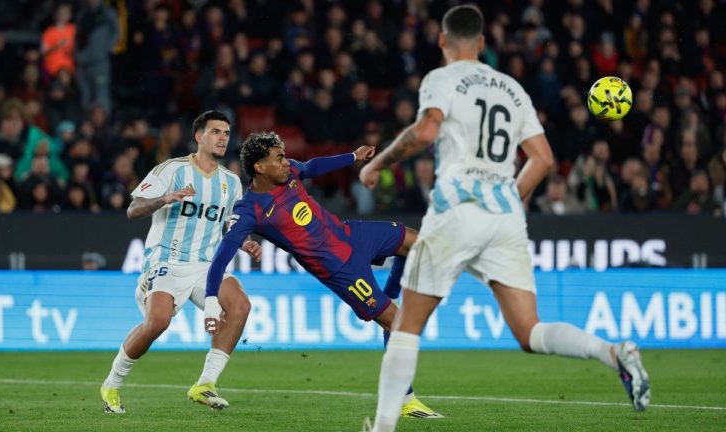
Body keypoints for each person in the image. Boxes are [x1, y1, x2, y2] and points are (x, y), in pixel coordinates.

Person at [358, 5, 651, 431]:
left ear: (442, 40)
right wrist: (507, 198)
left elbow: (425, 131)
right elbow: (543, 159)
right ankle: (612, 352)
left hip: (457, 210)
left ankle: (383, 429)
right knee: (529, 331)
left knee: (406, 325)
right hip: (504, 218)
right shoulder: (512, 89)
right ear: (481, 43)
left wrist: (377, 164)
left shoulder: (442, 79)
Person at [203, 131, 441, 419]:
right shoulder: (249, 210)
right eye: (278, 158)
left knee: (416, 244)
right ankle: (406, 401)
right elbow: (222, 256)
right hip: (340, 269)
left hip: (351, 235)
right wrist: (211, 299)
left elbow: (312, 166)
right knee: (397, 322)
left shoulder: (289, 171)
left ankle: (389, 295)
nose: (286, 162)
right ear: (260, 167)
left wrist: (352, 156)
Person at [100, 111, 261, 413]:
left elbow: (230, 224)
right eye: (216, 132)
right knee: (158, 322)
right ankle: (111, 384)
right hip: (166, 259)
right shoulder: (171, 170)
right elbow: (133, 210)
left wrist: (245, 242)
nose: (223, 138)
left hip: (206, 264)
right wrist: (164, 199)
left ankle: (205, 384)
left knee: (240, 305)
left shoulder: (231, 182)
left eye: (226, 133)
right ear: (199, 136)